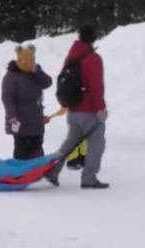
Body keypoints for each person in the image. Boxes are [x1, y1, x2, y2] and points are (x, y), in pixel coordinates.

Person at [45, 26, 109, 189]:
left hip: (73, 109)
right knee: (97, 143)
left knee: (71, 142)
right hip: (88, 110)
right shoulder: (93, 59)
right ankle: (89, 178)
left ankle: (53, 171)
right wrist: (100, 107)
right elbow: (95, 86)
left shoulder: (72, 55)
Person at [1, 44, 52, 159]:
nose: (28, 63)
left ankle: (37, 170)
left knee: (37, 146)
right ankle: (20, 172)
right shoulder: (11, 76)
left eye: (31, 60)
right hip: (20, 120)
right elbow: (8, 98)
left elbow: (47, 83)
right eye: (25, 60)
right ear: (19, 60)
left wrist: (37, 71)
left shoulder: (35, 72)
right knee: (22, 148)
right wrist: (12, 115)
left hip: (36, 118)